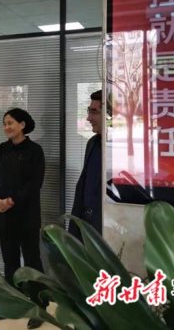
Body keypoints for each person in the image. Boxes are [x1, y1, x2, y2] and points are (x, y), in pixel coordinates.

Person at [0, 108, 46, 330]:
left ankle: (39, 306)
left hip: (26, 214)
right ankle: (12, 302)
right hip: (4, 214)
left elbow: (34, 184)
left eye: (11, 123)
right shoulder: (2, 148)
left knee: (32, 260)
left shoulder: (35, 151)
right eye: (5, 123)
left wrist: (11, 200)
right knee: (10, 260)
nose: (6, 127)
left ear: (22, 125)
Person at [69, 89, 103, 239]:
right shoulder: (92, 143)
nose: (89, 118)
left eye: (94, 112)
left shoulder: (122, 149)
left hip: (107, 228)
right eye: (89, 111)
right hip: (86, 225)